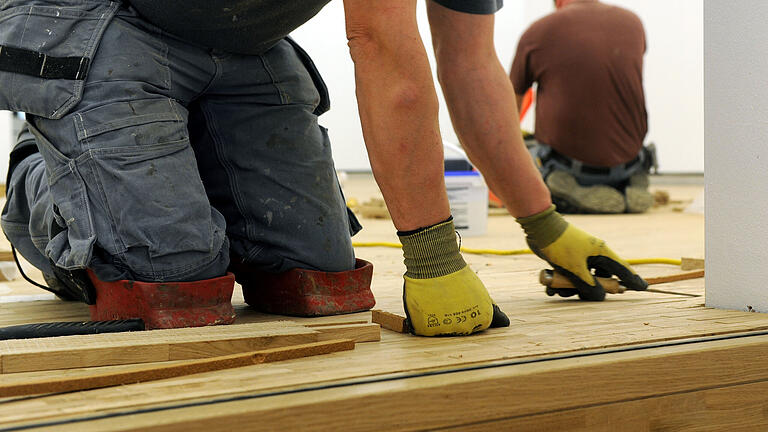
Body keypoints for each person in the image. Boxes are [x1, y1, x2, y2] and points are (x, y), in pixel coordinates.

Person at [0, 0, 646, 337]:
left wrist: (545, 226)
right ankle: (48, 170)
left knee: (318, 282)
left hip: (240, 42)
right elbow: (382, 45)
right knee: (172, 284)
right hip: (103, 18)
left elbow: (471, 69)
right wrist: (433, 259)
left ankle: (147, 169)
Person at [511, 0, 655, 214]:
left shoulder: (538, 31)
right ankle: (629, 180)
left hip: (566, 166)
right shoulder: (633, 23)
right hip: (631, 160)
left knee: (522, 150)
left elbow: (509, 108)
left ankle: (565, 186)